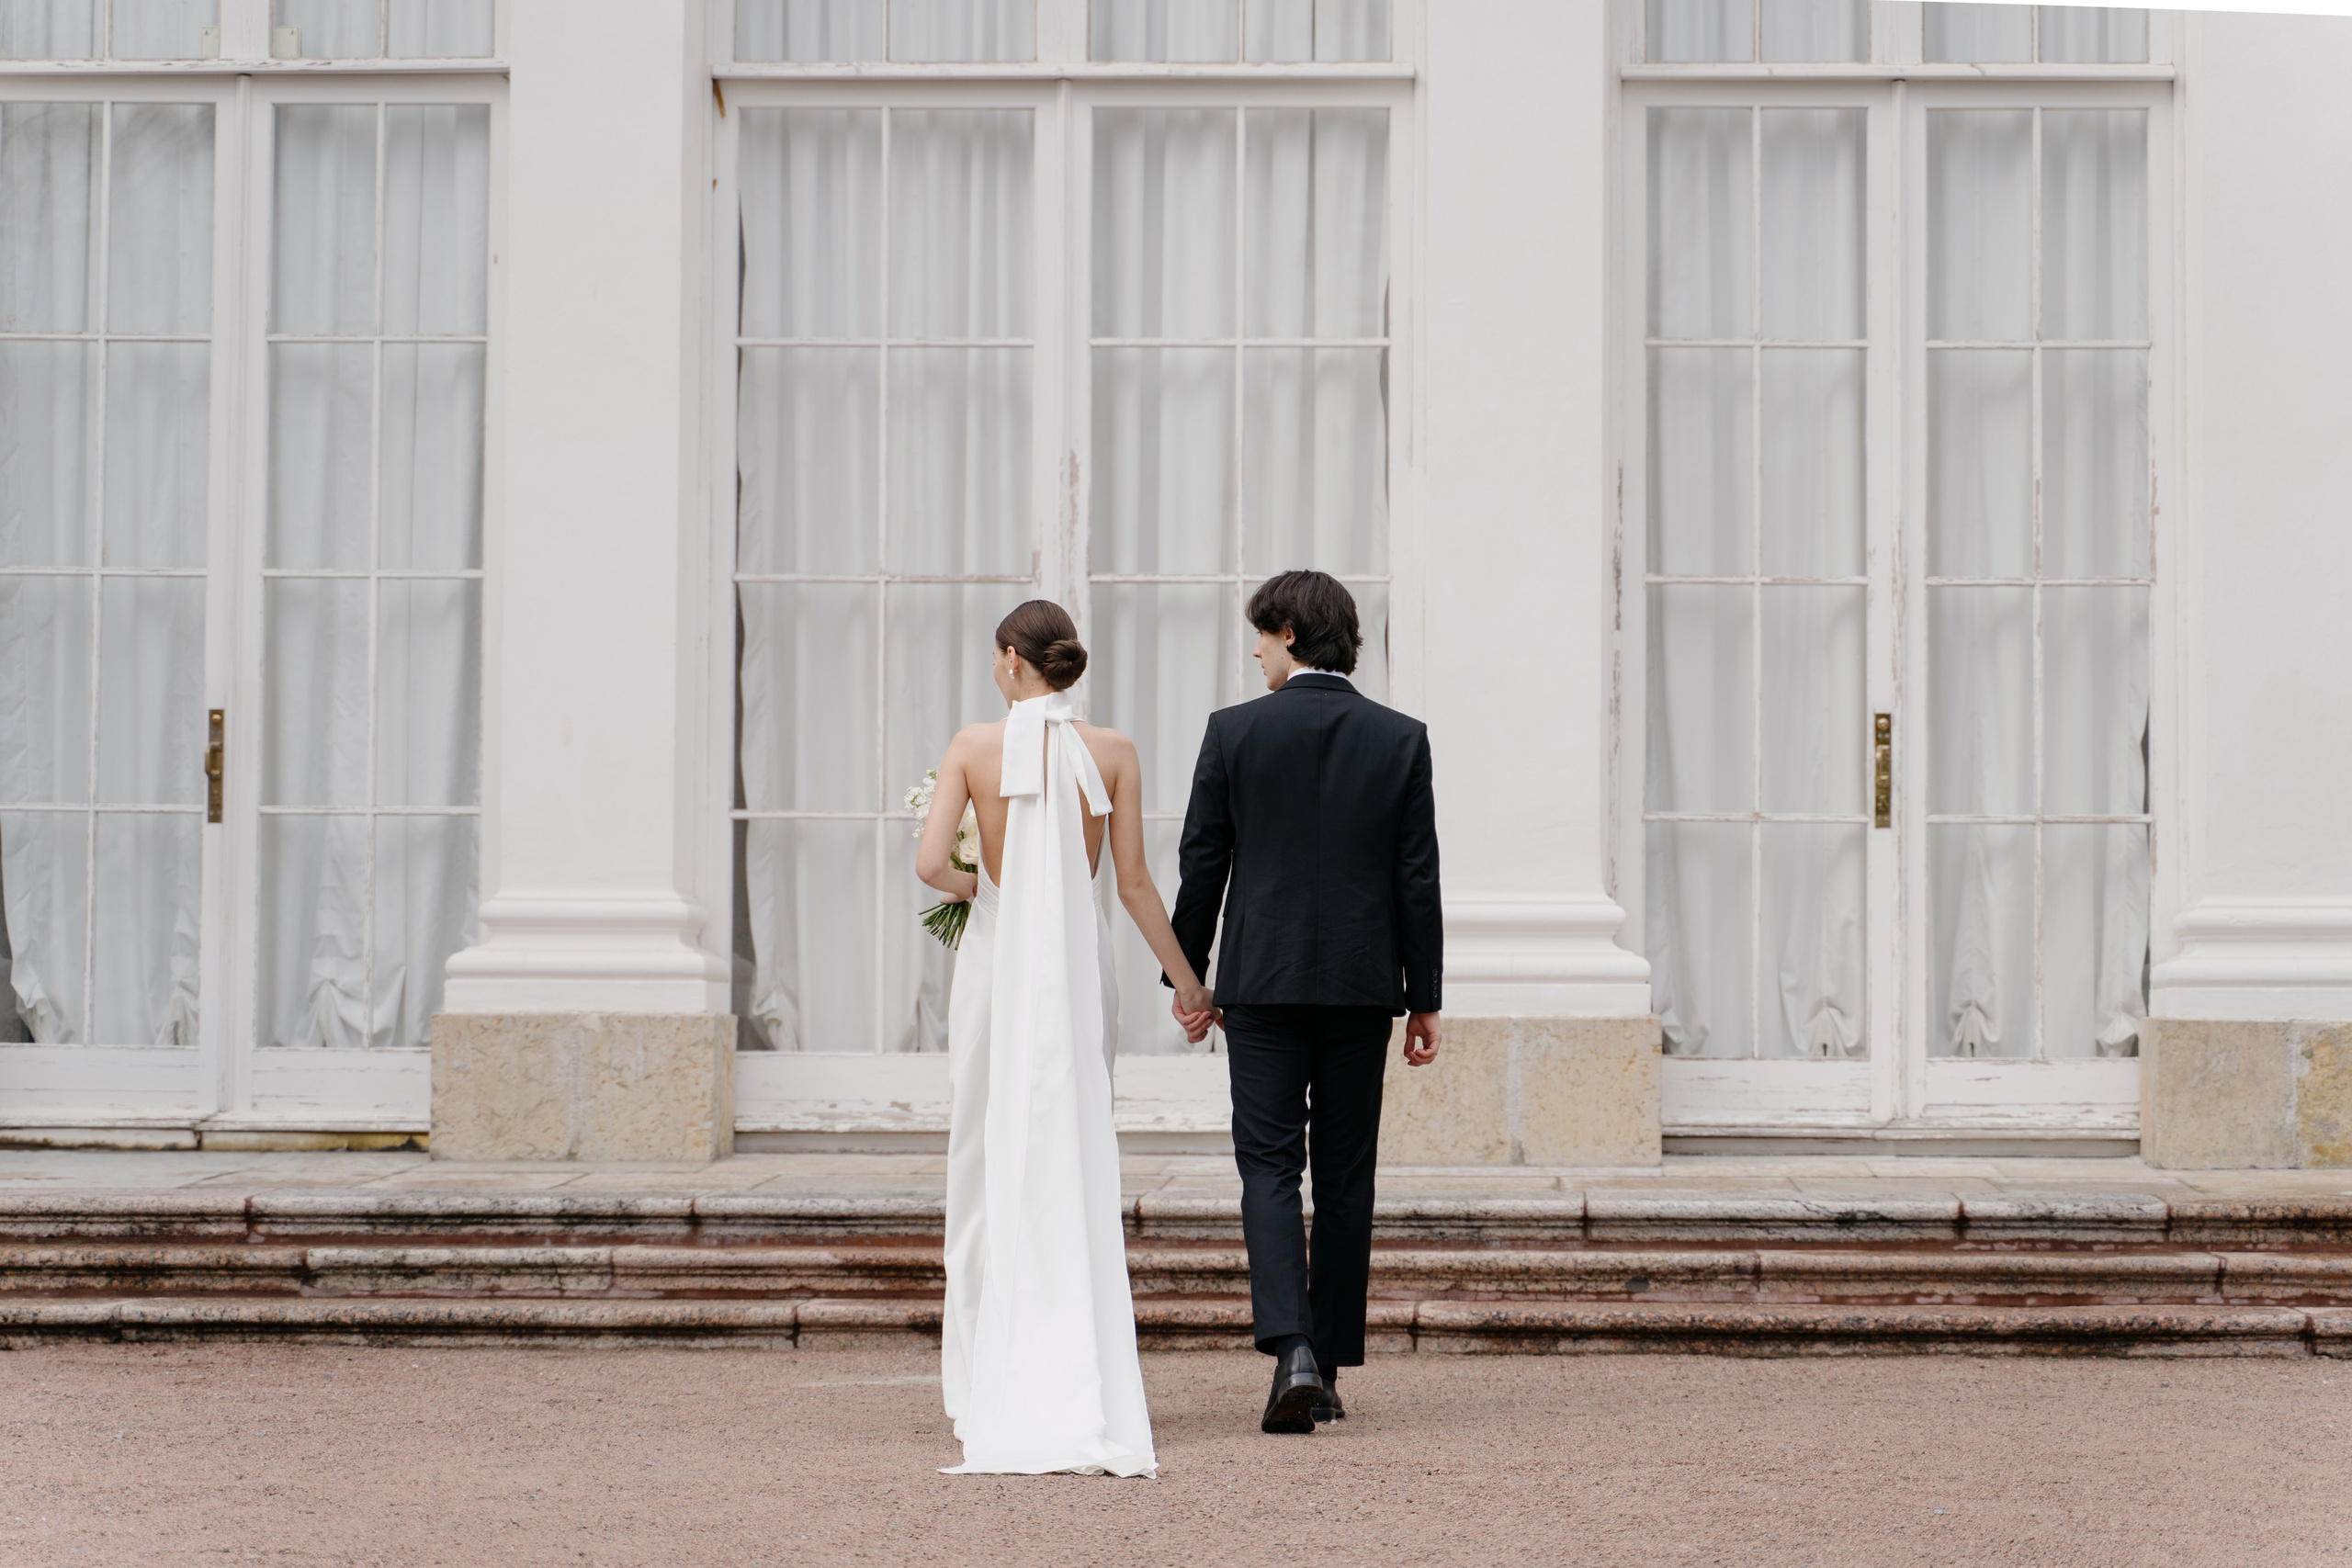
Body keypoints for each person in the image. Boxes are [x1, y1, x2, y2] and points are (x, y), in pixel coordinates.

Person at [916, 600, 1217, 1478]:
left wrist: (989, 885)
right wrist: (1191, 983)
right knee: (1075, 1141)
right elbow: (1131, 886)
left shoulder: (972, 747)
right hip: (1081, 971)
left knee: (983, 1149)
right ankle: (1076, 1359)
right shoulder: (1114, 750)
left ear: (1013, 659)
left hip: (999, 965)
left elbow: (932, 865)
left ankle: (984, 1381)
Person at [1166, 570, 1443, 1435]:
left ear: (1289, 629)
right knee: (1348, 1172)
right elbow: (1416, 878)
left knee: (1269, 1167)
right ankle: (1325, 1363)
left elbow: (1202, 862)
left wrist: (1189, 977)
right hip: (1363, 989)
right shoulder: (1401, 738)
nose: (1253, 651)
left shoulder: (1233, 732)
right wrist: (1424, 995)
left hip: (1262, 984)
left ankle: (1290, 1348)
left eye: (1259, 634)